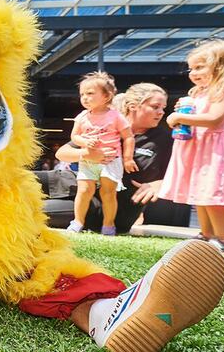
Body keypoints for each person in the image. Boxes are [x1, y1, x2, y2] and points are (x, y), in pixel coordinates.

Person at [54, 83, 172, 234]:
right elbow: (62, 153)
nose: (161, 112)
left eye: (163, 108)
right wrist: (88, 154)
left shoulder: (164, 139)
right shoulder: (107, 125)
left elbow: (185, 173)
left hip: (102, 209)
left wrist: (160, 184)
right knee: (23, 177)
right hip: (74, 183)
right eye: (155, 107)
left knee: (36, 207)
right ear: (132, 106)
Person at [159, 39, 224, 252]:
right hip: (199, 147)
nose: (193, 73)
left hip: (214, 149)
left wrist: (179, 117)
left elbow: (214, 119)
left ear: (220, 66)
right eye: (191, 68)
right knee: (199, 192)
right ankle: (206, 233)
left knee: (212, 193)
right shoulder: (199, 92)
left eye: (200, 67)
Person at [66, 71, 137, 236]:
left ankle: (108, 224)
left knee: (108, 193)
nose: (85, 97)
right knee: (84, 190)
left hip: (110, 160)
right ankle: (77, 221)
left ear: (107, 96)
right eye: (82, 94)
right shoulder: (82, 116)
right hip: (88, 161)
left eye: (90, 93)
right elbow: (74, 136)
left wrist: (127, 159)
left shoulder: (115, 116)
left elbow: (128, 137)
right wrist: (84, 142)